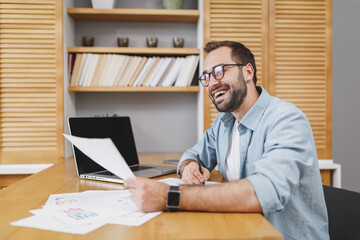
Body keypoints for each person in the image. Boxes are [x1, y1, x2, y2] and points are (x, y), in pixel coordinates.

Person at [125, 41, 329, 239]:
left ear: (248, 72)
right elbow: (193, 154)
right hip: (242, 230)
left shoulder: (286, 120)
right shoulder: (224, 123)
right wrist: (189, 166)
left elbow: (265, 192)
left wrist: (169, 196)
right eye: (206, 76)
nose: (212, 82)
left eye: (220, 70)